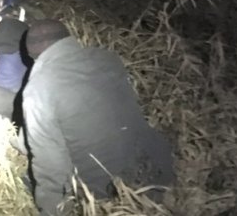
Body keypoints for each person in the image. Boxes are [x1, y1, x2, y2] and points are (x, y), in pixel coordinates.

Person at [21, 19, 175, 216]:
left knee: (29, 176)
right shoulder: (108, 58)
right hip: (155, 175)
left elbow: (50, 163)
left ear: (33, 55)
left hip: (105, 195)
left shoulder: (39, 88)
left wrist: (53, 210)